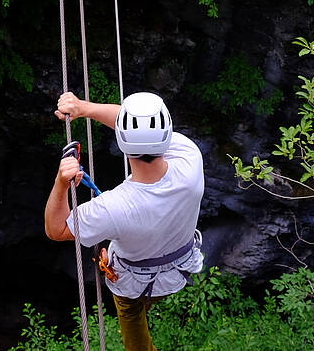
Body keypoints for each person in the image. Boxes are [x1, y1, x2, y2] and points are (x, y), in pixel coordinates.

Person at [45, 91, 204, 351]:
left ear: (120, 141)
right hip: (179, 271)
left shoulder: (113, 208)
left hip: (133, 283)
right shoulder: (190, 158)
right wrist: (84, 108)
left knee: (129, 311)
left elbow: (57, 229)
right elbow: (142, 127)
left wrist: (61, 183)